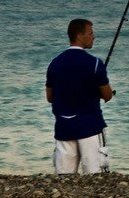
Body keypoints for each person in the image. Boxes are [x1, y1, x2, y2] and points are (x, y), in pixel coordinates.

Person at [45, 18, 113, 174]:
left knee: (65, 179)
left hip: (64, 127)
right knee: (96, 177)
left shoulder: (54, 63)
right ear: (80, 36)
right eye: (90, 33)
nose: (93, 36)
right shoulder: (95, 63)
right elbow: (107, 95)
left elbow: (50, 97)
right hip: (90, 127)